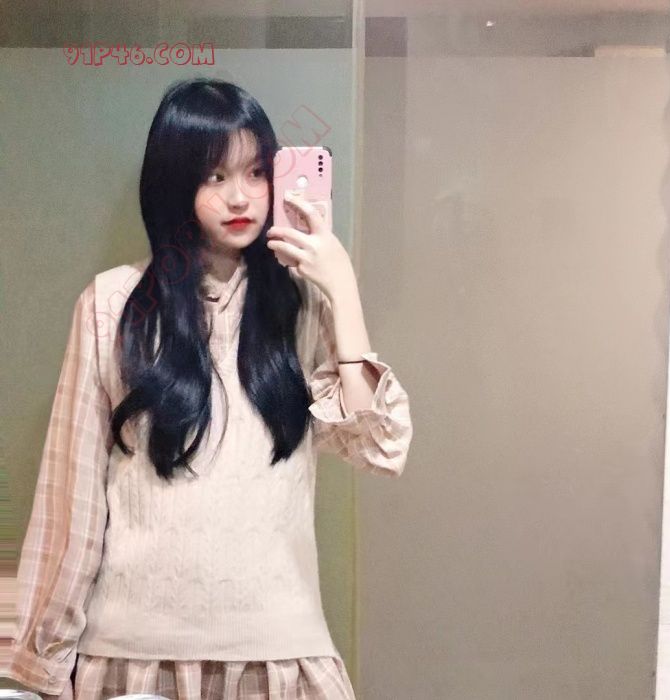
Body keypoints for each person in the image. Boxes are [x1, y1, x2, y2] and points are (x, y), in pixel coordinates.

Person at [5, 77, 413, 700]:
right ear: (175, 184)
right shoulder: (112, 304)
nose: (239, 196)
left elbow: (375, 445)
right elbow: (72, 502)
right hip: (134, 661)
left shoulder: (302, 305)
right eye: (214, 176)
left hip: (278, 657)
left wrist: (341, 288)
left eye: (256, 172)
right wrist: (43, 667)